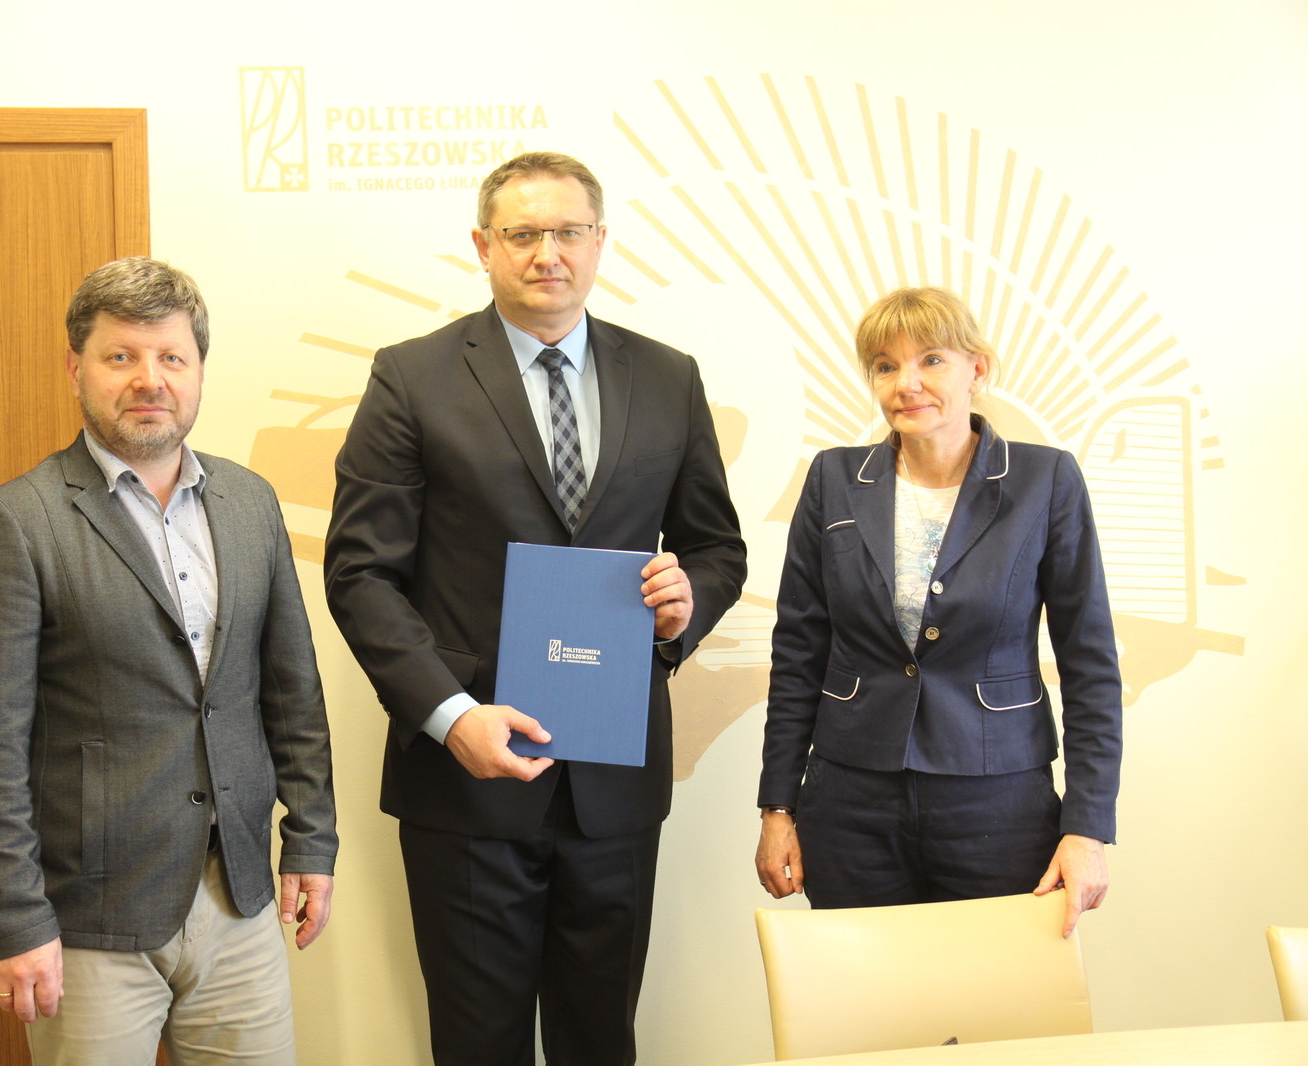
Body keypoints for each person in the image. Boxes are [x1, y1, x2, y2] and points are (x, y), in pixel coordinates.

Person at [323, 151, 746, 1066]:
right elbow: (360, 574)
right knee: (479, 1048)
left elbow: (716, 549)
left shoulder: (668, 377)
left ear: (599, 241)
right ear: (484, 246)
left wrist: (687, 606)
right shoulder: (412, 376)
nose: (547, 252)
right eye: (522, 234)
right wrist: (449, 716)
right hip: (467, 777)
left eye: (567, 231)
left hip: (615, 779)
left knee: (602, 1044)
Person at [0, 257, 337, 1065]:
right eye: (120, 356)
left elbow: (291, 692)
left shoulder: (250, 502)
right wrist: (12, 919)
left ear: (198, 371)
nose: (149, 380)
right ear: (75, 368)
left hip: (238, 900)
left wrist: (310, 841)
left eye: (171, 357)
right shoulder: (15, 524)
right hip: (89, 921)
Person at [755, 286, 1121, 938]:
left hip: (998, 801)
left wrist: (1088, 826)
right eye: (886, 366)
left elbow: (1089, 663)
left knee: (996, 995)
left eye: (931, 360)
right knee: (866, 997)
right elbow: (798, 655)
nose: (907, 383)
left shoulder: (1045, 480)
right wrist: (777, 807)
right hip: (850, 802)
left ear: (977, 370)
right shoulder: (834, 479)